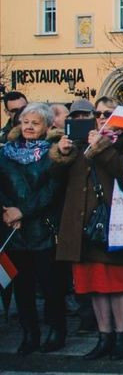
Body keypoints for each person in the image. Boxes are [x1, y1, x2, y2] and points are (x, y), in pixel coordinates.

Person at [49, 98, 123, 360]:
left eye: (108, 112)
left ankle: (121, 336)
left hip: (115, 223)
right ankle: (104, 336)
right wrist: (63, 154)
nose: (102, 117)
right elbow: (57, 180)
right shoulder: (81, 140)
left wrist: (102, 147)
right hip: (83, 225)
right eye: (98, 113)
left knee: (119, 283)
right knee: (94, 284)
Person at [1, 102, 66, 354]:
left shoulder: (54, 154)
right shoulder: (5, 153)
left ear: (47, 127)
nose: (29, 126)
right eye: (26, 122)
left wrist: (23, 211)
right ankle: (29, 333)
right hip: (14, 230)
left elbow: (52, 191)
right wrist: (6, 210)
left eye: (35, 123)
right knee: (22, 286)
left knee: (51, 285)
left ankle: (56, 329)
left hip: (43, 229)